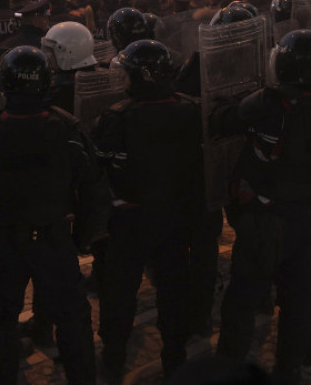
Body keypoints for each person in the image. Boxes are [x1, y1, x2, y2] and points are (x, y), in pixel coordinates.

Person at [0, 46, 107, 385]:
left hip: (3, 243)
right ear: (47, 82)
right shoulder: (69, 132)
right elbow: (94, 190)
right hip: (53, 238)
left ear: (4, 84)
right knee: (73, 322)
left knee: (0, 326)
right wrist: (80, 239)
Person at [217, 30, 311, 385]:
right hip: (307, 211)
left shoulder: (270, 102)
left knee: (242, 298)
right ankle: (289, 369)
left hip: (266, 214)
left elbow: (223, 121)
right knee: (297, 297)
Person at [92, 40, 203, 383]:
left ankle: (114, 357)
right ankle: (175, 355)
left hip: (130, 219)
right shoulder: (191, 110)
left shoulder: (117, 117)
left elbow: (103, 169)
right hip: (174, 215)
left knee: (120, 293)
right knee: (174, 290)